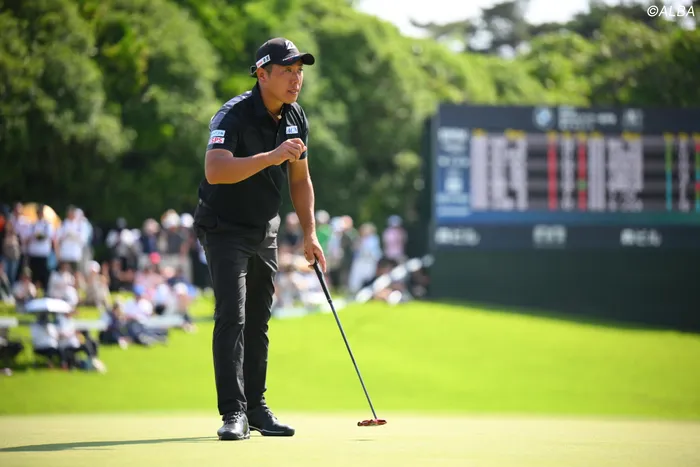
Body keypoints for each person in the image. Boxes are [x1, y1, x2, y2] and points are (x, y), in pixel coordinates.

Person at [193, 37, 326, 441]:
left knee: (257, 320)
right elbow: (216, 170)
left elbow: (300, 179)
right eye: (287, 71)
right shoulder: (232, 115)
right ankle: (233, 412)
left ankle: (256, 407)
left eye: (299, 71)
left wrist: (310, 233)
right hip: (223, 226)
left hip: (263, 228)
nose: (296, 79)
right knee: (231, 316)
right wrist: (272, 156)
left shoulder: (295, 116)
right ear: (262, 74)